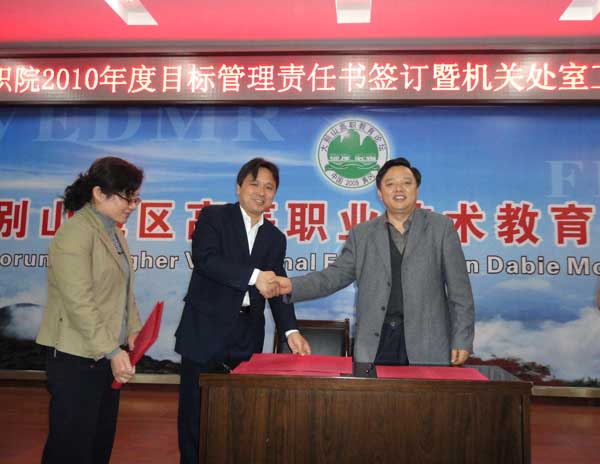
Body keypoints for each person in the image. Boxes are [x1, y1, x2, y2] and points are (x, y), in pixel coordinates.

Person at [174, 157, 311, 464]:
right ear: (238, 187)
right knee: (196, 415)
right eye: (255, 184)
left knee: (240, 415)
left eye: (269, 187)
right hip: (204, 332)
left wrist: (291, 330)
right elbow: (206, 260)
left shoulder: (274, 238)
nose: (261, 192)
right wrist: (254, 276)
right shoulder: (214, 217)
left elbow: (276, 286)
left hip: (246, 337)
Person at [276, 157, 475, 367]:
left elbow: (460, 291)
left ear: (416, 189)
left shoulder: (441, 228)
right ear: (380, 193)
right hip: (375, 344)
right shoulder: (362, 234)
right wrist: (291, 285)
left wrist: (462, 339)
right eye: (390, 184)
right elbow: (332, 277)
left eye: (407, 183)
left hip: (427, 345)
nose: (399, 189)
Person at [36, 156, 144, 464]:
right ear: (99, 193)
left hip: (104, 356)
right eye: (126, 197)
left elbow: (123, 290)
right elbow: (79, 302)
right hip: (76, 358)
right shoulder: (75, 233)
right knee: (71, 447)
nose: (132, 205)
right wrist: (112, 350)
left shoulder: (113, 232)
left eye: (135, 198)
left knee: (98, 443)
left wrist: (133, 329)